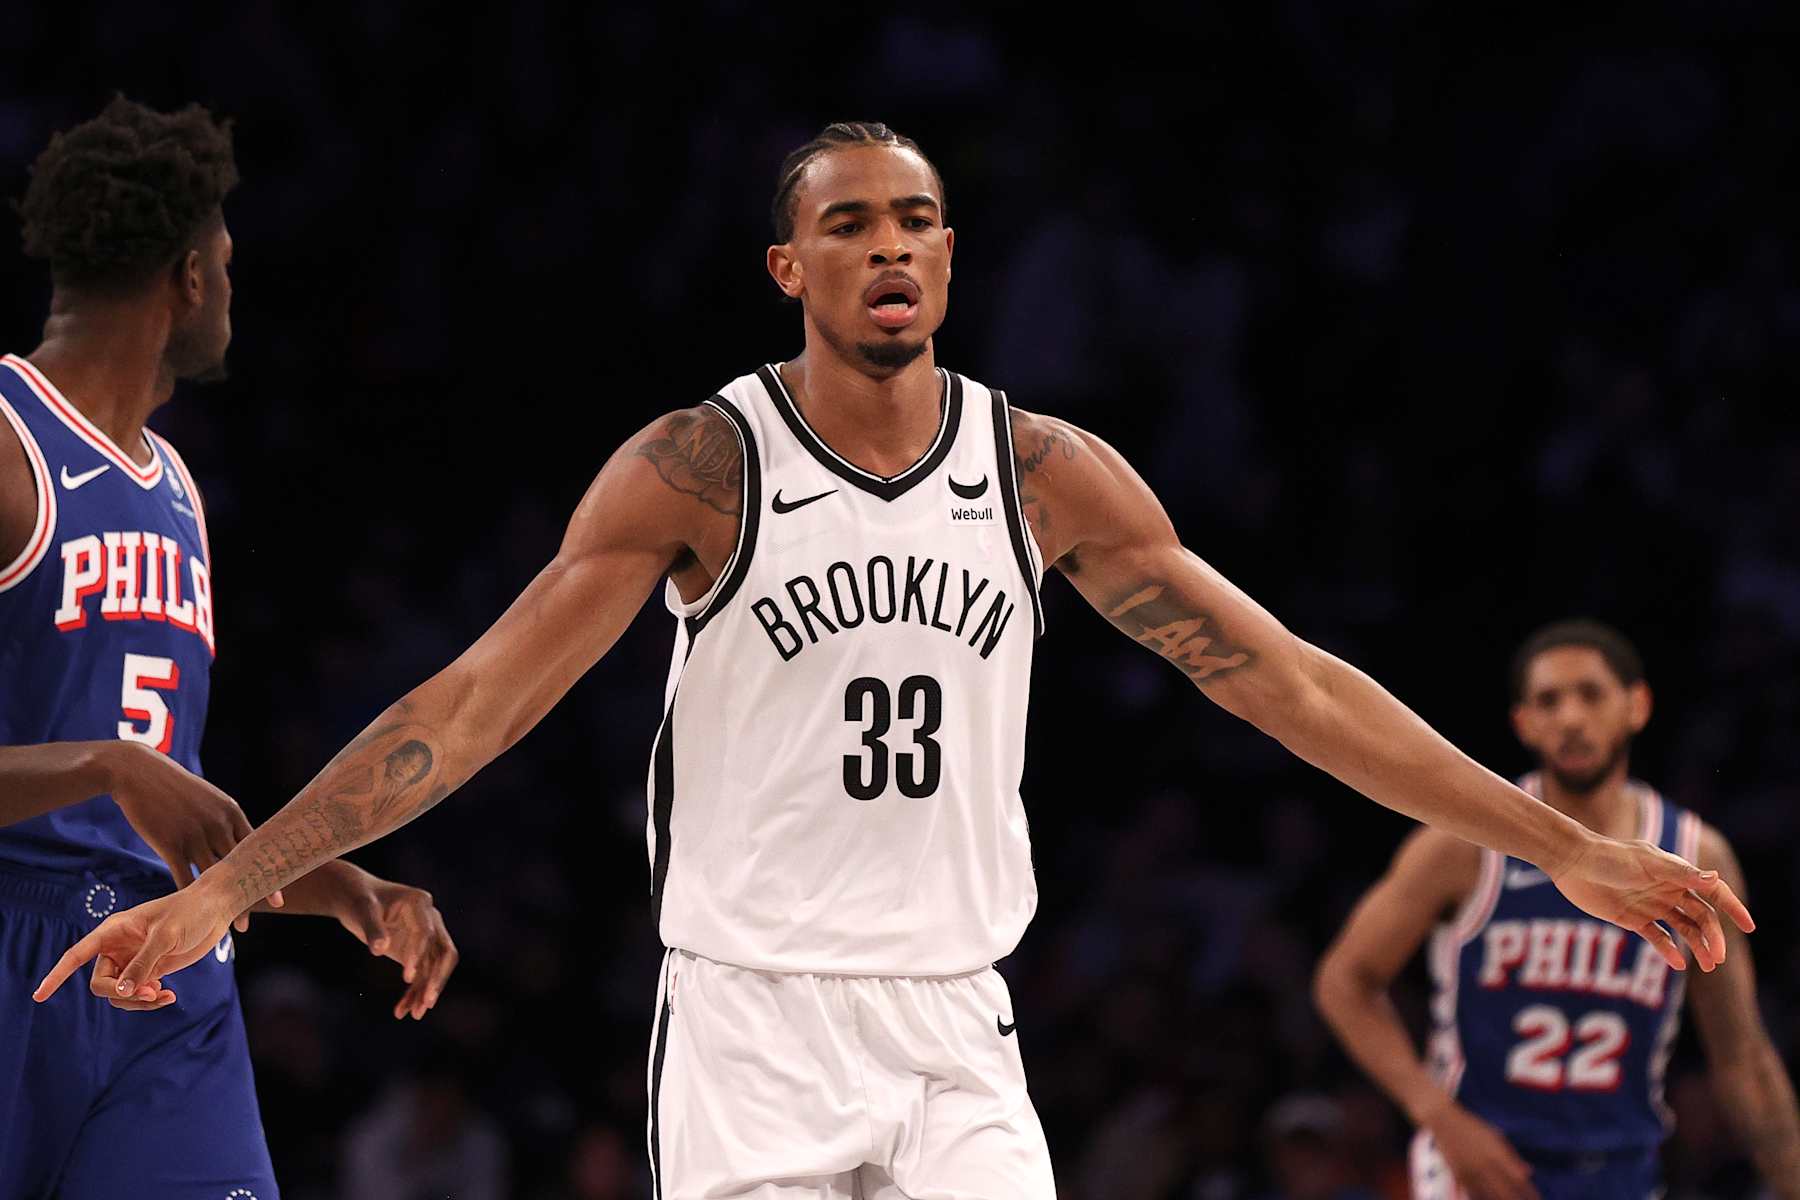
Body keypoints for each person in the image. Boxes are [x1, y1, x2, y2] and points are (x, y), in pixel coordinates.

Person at [37, 122, 1751, 1198]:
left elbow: (1288, 680)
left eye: (918, 220)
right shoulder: (696, 468)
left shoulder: (1044, 469)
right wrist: (233, 890)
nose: (892, 247)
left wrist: (1567, 848)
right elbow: (471, 705)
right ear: (791, 268)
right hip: (750, 1017)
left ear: (950, 257)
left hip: (952, 1018)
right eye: (851, 223)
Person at [0, 96, 458, 1199]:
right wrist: (105, 766)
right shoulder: (10, 447)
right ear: (190, 277)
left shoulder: (179, 492)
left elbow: (177, 806)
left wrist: (341, 886)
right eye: (229, 261)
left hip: (165, 967)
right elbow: (130, 775)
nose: (232, 291)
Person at [1313, 620, 1800, 1199]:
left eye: (1590, 694)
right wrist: (1437, 1115)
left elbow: (1741, 1055)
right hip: (1481, 1164)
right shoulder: (1463, 845)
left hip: (1621, 1168)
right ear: (1524, 723)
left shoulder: (1694, 855)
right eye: (1549, 700)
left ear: (1637, 706)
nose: (1571, 717)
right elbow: (1344, 981)